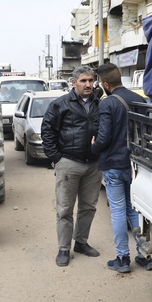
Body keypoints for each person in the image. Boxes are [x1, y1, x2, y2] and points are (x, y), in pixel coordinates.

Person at [90, 63, 152, 273]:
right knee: (134, 209)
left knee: (118, 210)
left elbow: (104, 136)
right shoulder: (138, 99)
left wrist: (94, 146)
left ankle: (122, 258)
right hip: (135, 165)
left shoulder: (107, 104)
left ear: (105, 83)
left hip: (114, 164)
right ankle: (144, 254)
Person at [41, 66, 103, 267]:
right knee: (65, 209)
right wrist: (57, 158)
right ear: (73, 82)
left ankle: (81, 242)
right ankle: (64, 249)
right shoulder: (60, 104)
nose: (88, 84)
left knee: (88, 207)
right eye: (84, 80)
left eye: (91, 80)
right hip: (69, 163)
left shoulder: (98, 104)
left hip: (93, 165)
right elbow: (47, 131)